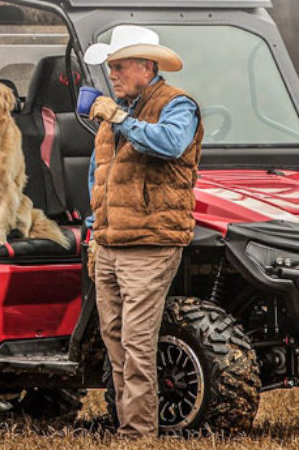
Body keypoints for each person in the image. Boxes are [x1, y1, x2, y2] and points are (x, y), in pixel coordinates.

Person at [81, 24, 203, 437]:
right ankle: (129, 424)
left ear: (145, 67)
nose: (111, 75)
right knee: (115, 339)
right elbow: (100, 178)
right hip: (111, 243)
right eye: (110, 68)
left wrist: (118, 118)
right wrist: (95, 231)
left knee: (135, 342)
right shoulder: (117, 110)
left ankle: (137, 434)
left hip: (151, 244)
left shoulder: (178, 106)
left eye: (118, 67)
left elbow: (170, 144)